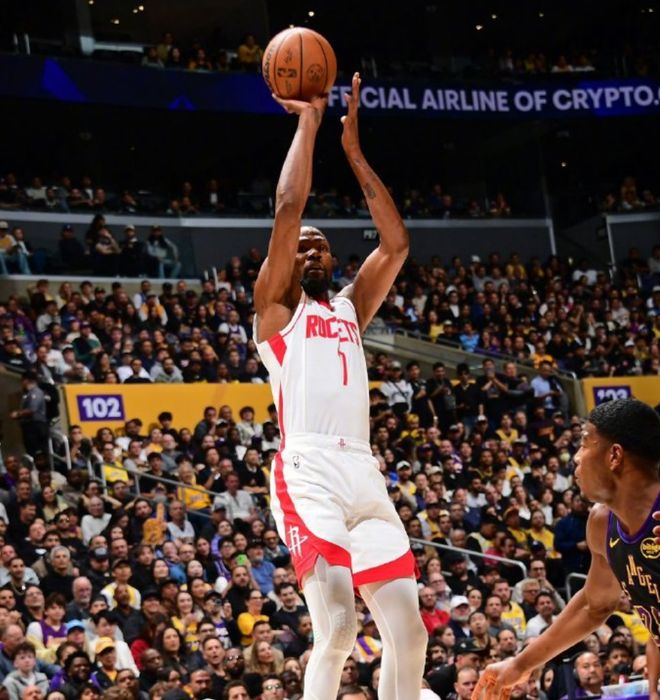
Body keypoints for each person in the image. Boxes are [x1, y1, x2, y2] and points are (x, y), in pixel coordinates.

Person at [253, 73, 426, 700]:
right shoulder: (277, 310)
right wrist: (309, 124)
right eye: (301, 248)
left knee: (410, 635)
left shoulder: (350, 307)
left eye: (320, 247)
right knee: (338, 629)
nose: (310, 252)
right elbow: (287, 209)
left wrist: (354, 154)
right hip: (309, 469)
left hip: (364, 472)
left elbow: (396, 244)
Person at [474, 399, 660, 700]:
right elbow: (593, 606)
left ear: (614, 456)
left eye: (584, 443)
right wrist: (521, 663)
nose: (576, 457)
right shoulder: (602, 523)